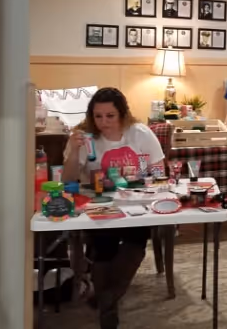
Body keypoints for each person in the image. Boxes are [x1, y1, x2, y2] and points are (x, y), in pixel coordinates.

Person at [61, 88, 164, 329]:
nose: (104, 122)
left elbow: (159, 170)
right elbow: (68, 181)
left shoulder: (139, 133)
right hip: (100, 203)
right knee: (103, 245)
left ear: (122, 114)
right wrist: (74, 151)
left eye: (110, 116)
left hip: (136, 202)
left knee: (135, 242)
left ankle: (106, 298)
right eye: (98, 116)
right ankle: (109, 307)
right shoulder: (85, 137)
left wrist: (147, 179)